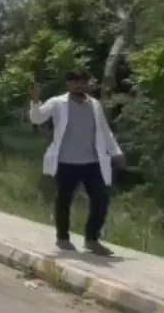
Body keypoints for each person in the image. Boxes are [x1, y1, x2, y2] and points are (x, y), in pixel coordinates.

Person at [29, 73, 124, 256]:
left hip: (92, 161)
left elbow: (105, 131)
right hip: (66, 161)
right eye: (75, 82)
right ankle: (63, 237)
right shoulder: (57, 103)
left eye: (83, 82)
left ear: (87, 84)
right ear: (69, 84)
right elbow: (37, 118)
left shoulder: (94, 105)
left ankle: (92, 239)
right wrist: (35, 100)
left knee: (101, 198)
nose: (79, 86)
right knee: (64, 199)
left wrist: (116, 152)